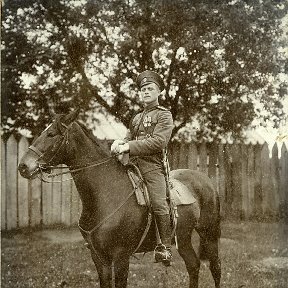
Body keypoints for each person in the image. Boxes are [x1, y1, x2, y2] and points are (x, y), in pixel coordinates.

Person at [111, 70, 174, 265]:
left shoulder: (164, 115)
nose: (145, 92)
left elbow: (158, 142)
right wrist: (119, 142)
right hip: (131, 165)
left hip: (152, 167)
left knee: (158, 201)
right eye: (143, 89)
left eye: (150, 89)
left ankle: (164, 246)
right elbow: (129, 138)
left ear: (158, 92)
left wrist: (128, 147)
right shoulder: (136, 118)